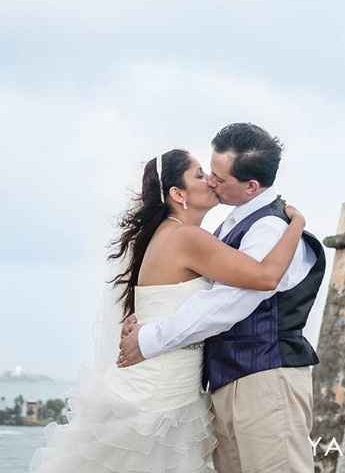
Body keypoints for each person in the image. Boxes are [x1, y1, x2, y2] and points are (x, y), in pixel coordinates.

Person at [30, 147, 306, 473]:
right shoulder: (187, 238)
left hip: (162, 387)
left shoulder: (168, 236)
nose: (211, 182)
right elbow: (265, 276)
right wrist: (297, 225)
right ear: (178, 193)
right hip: (160, 399)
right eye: (200, 175)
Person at [119, 123, 326, 473]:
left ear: (251, 186)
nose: (211, 182)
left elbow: (229, 303)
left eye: (217, 176)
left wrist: (148, 339)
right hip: (226, 381)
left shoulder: (269, 227)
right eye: (205, 173)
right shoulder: (219, 228)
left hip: (265, 379)